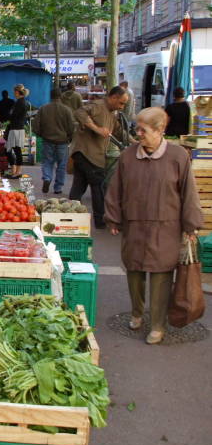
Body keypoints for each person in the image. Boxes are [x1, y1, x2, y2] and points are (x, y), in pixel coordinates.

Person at [105, 107, 202, 344]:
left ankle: (158, 325)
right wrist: (113, 217)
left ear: (160, 130)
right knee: (135, 272)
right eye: (136, 128)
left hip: (166, 227)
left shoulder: (178, 156)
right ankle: (137, 313)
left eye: (143, 130)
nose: (138, 133)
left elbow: (189, 193)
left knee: (161, 276)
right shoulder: (128, 156)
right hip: (135, 224)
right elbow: (115, 189)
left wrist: (191, 225)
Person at [69, 86, 128, 228]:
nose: (122, 107)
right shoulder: (98, 106)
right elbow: (80, 112)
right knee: (98, 186)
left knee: (79, 186)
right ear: (113, 97)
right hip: (88, 154)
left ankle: (70, 216)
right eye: (121, 103)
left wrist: (136, 141)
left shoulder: (112, 114)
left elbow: (119, 132)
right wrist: (96, 129)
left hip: (85, 154)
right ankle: (100, 221)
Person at [32, 88, 75, 194]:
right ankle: (58, 188)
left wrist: (41, 134)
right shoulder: (67, 110)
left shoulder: (43, 109)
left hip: (47, 140)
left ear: (50, 96)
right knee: (61, 164)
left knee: (47, 161)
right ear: (60, 96)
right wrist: (69, 137)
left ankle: (47, 178)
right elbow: (71, 127)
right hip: (62, 141)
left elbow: (36, 125)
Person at [6, 84, 29, 179]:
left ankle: (17, 171)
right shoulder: (21, 102)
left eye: (14, 92)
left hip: (17, 129)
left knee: (16, 150)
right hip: (16, 128)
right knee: (11, 150)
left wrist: (9, 115)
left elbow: (12, 115)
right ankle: (14, 170)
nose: (13, 94)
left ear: (17, 92)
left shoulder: (20, 102)